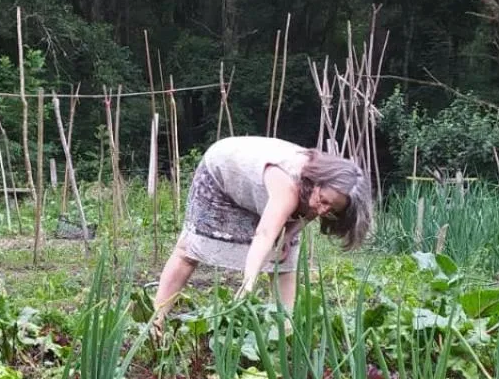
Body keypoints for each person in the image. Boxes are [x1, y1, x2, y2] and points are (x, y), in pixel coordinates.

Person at [150, 135, 371, 320]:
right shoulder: (288, 186)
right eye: (323, 200)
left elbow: (310, 213)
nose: (322, 210)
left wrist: (288, 235)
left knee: (285, 260)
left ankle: (284, 332)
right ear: (317, 181)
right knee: (190, 250)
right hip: (222, 172)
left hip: (264, 186)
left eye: (331, 209)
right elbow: (265, 234)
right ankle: (155, 322)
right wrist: (249, 282)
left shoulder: (320, 194)